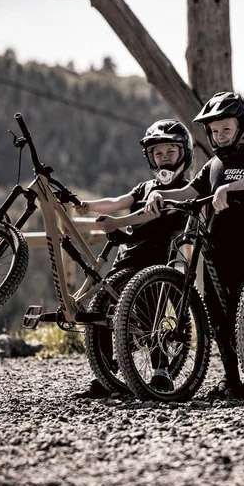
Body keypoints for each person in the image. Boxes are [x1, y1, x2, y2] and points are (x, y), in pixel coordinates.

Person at [146, 92, 244, 399]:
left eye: (226, 129)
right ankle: (232, 380)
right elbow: (190, 191)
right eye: (214, 131)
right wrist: (161, 194)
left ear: (243, 127)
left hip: (243, 243)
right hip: (213, 244)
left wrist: (229, 188)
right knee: (216, 315)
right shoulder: (212, 164)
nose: (220, 135)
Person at [70, 119, 194, 398]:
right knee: (103, 312)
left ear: (184, 152)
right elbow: (117, 202)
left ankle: (161, 372)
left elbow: (147, 215)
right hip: (127, 258)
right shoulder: (144, 188)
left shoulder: (183, 190)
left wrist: (117, 222)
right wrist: (87, 206)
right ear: (150, 157)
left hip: (158, 262)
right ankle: (106, 375)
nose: (164, 158)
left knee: (152, 318)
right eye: (157, 153)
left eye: (170, 151)